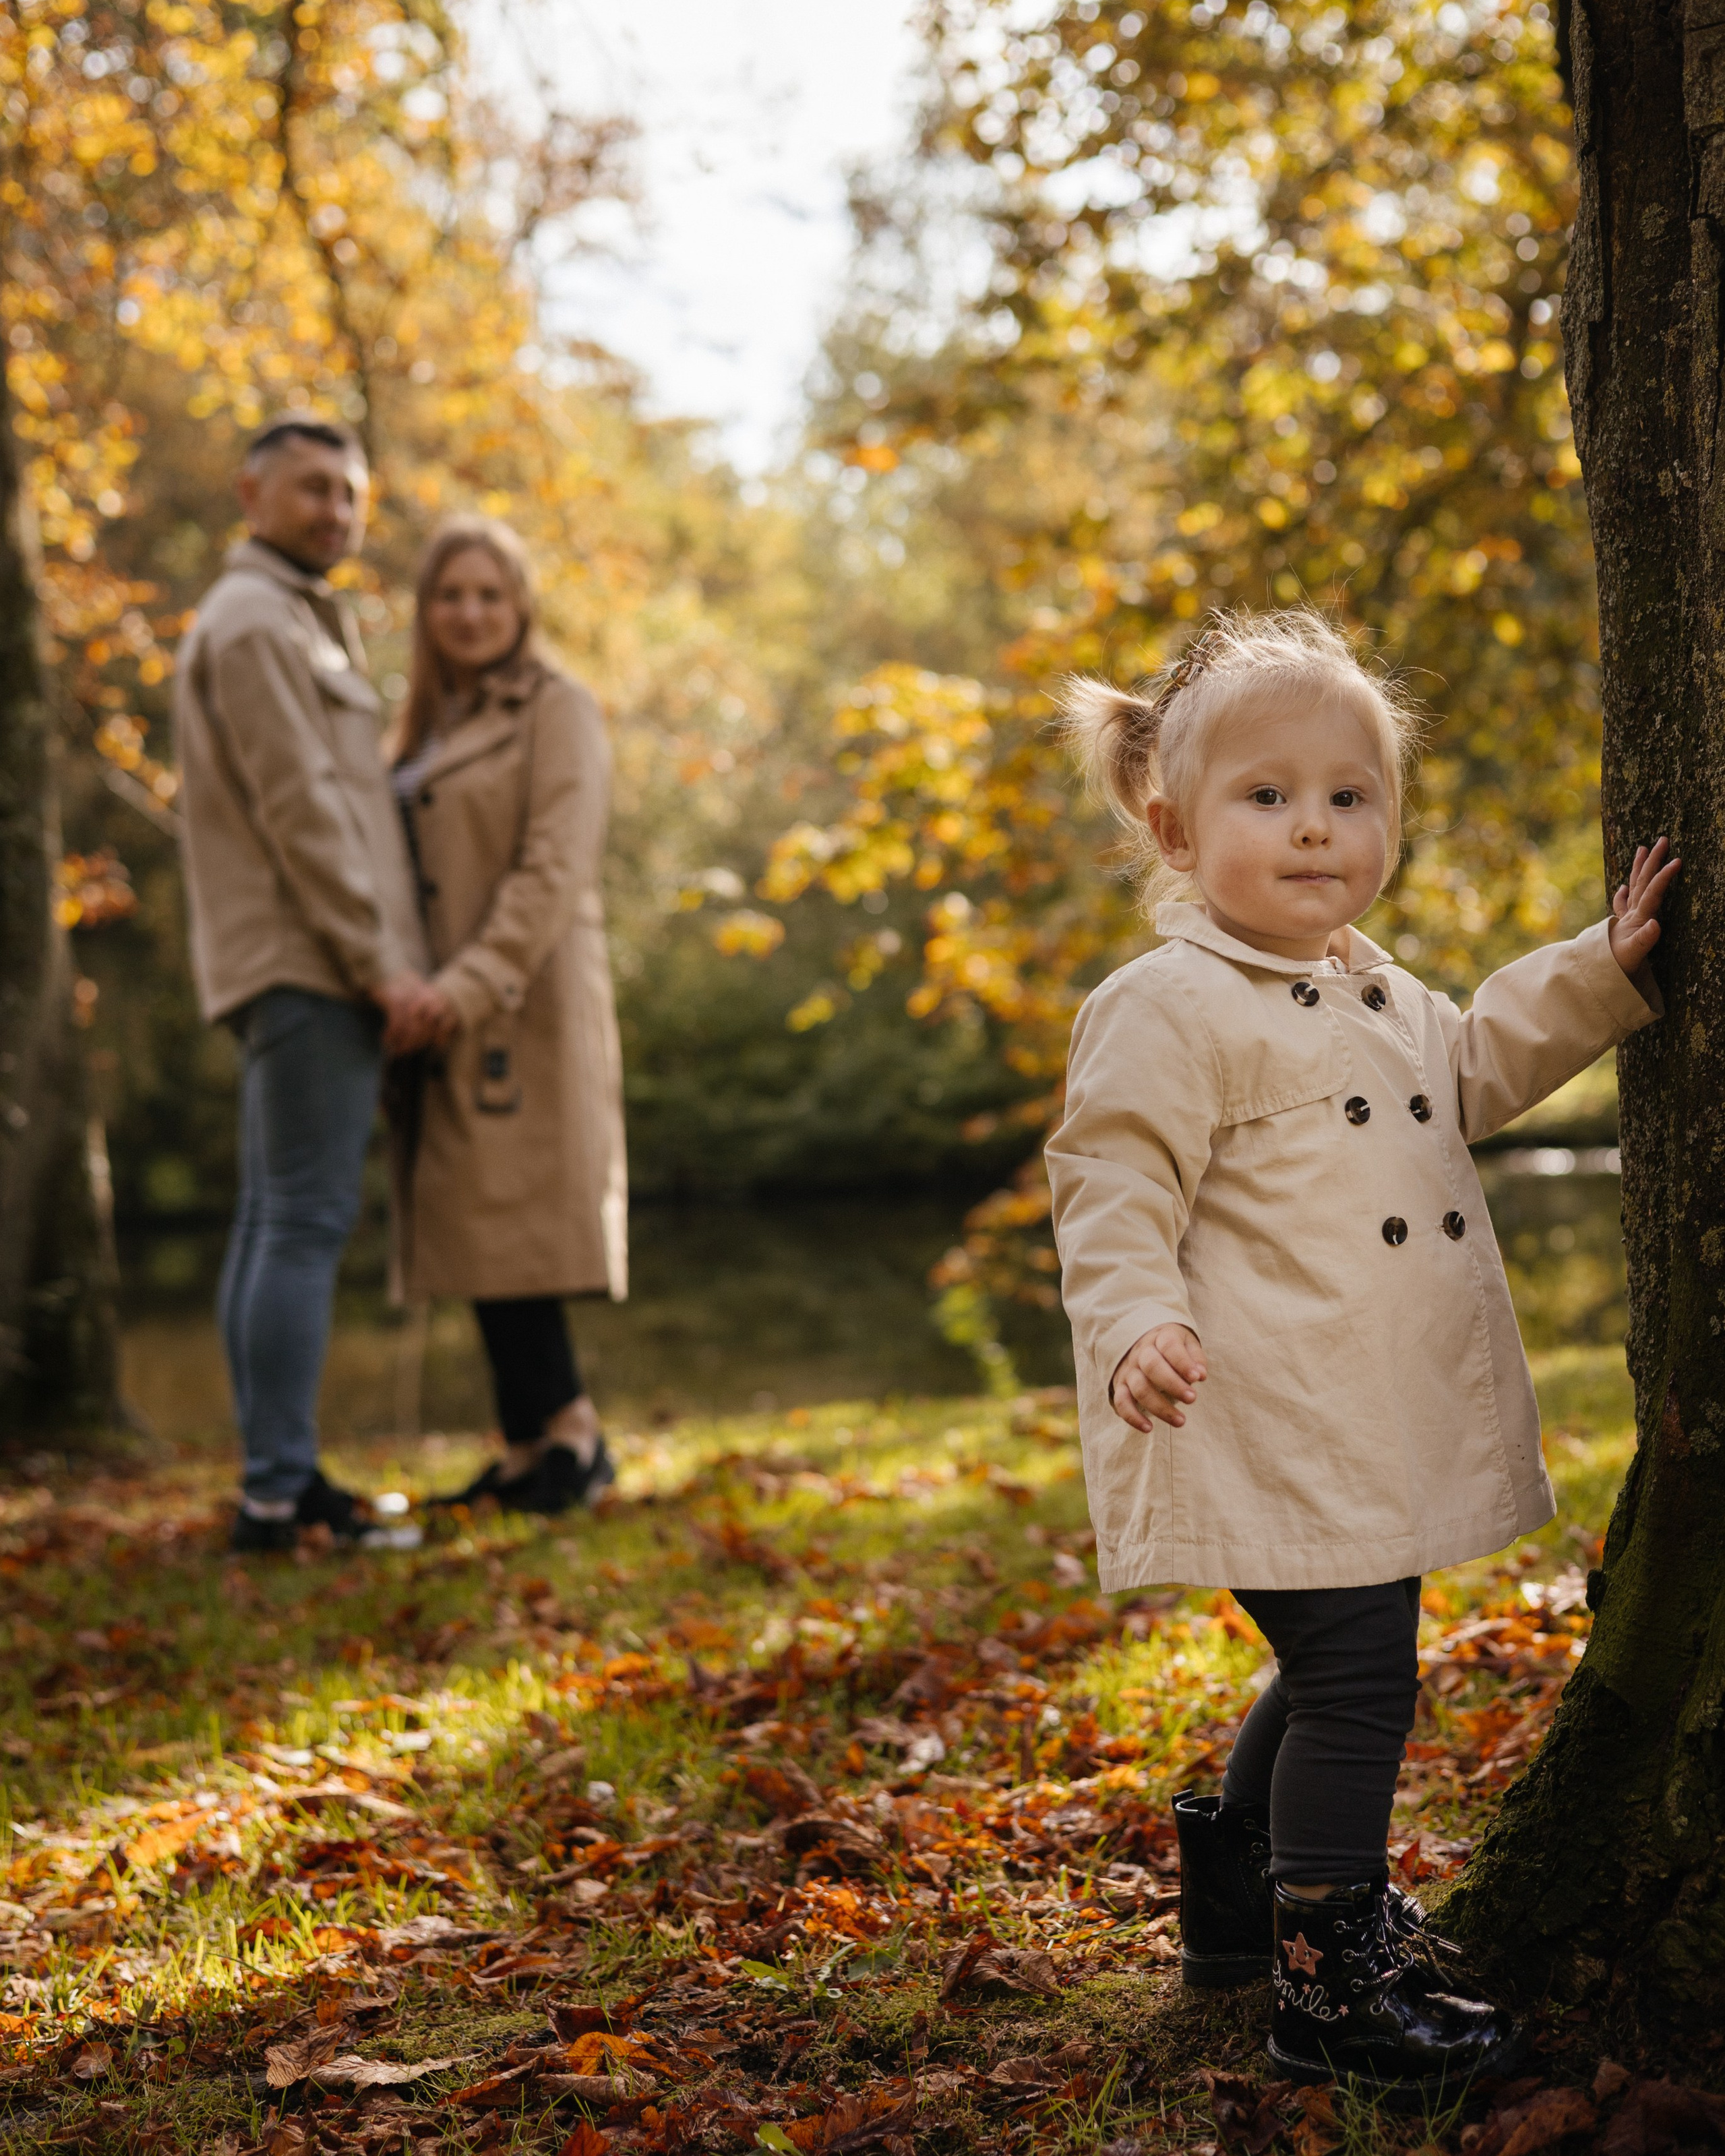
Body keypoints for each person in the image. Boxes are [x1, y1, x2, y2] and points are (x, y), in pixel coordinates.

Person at [1046, 608, 1676, 2092]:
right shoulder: (1165, 1005)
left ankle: (1231, 1907)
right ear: (1172, 827)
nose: (1314, 829)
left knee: (1332, 1662)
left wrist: (1598, 965)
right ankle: (1327, 1983)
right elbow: (1111, 1186)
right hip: (1263, 1410)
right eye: (1264, 799)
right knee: (1356, 1684)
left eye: (1348, 796)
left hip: (1358, 1411)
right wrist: (1136, 1320)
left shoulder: (1377, 994)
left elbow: (1470, 1065)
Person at [175, 419, 444, 1553]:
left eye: (349, 493)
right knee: (301, 1219)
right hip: (307, 960)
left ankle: (277, 1481)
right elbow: (302, 811)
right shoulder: (252, 624)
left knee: (271, 1217)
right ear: (250, 490)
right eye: (311, 489)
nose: (334, 510)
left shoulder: (284, 617)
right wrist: (378, 962)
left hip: (294, 960)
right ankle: (279, 1493)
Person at [386, 516, 626, 1513]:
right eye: (452, 595)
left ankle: (574, 1433)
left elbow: (551, 870)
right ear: (427, 612)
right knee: (477, 1220)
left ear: (520, 605)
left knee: (512, 1216)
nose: (471, 613)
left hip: (515, 1004)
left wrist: (465, 987)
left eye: (490, 594)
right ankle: (529, 1443)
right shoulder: (420, 726)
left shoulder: (556, 708)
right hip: (433, 1007)